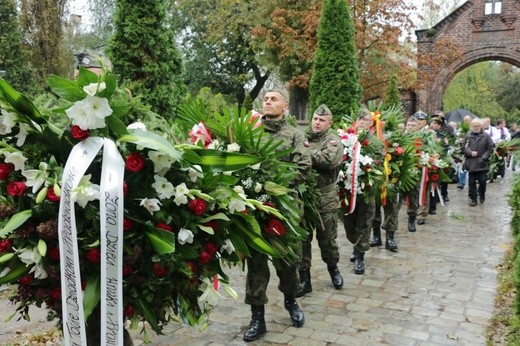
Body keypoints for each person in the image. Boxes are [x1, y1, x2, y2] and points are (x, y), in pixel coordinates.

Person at [242, 89, 311, 342]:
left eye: (274, 99)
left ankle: (291, 301)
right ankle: (257, 317)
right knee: (256, 265)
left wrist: (275, 185)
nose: (268, 101)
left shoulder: (295, 134)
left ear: (285, 106)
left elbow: (304, 167)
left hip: (285, 210)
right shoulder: (251, 133)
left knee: (288, 262)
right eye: (266, 99)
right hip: (256, 210)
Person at [296, 104, 344, 297]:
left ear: (329, 123)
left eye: (321, 120)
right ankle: (304, 278)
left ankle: (333, 269)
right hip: (304, 198)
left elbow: (328, 161)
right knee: (302, 240)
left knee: (327, 241)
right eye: (315, 119)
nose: (317, 122)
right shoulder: (303, 138)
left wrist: (305, 152)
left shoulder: (333, 141)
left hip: (325, 199)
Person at [342, 107, 385, 275]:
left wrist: (364, 169)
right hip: (347, 190)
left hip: (366, 190)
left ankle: (360, 255)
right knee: (349, 224)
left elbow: (379, 164)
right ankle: (355, 243)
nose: (362, 122)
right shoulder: (347, 138)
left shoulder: (376, 143)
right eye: (359, 120)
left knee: (365, 222)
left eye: (366, 120)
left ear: (370, 123)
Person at [461, 119, 494, 206]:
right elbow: (463, 147)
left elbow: (490, 148)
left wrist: (484, 157)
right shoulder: (468, 136)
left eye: (477, 126)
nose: (475, 128)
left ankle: (482, 194)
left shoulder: (486, 136)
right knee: (471, 182)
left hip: (482, 163)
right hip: (471, 163)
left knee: (482, 181)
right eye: (474, 126)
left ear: (481, 126)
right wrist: (470, 153)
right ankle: (473, 199)